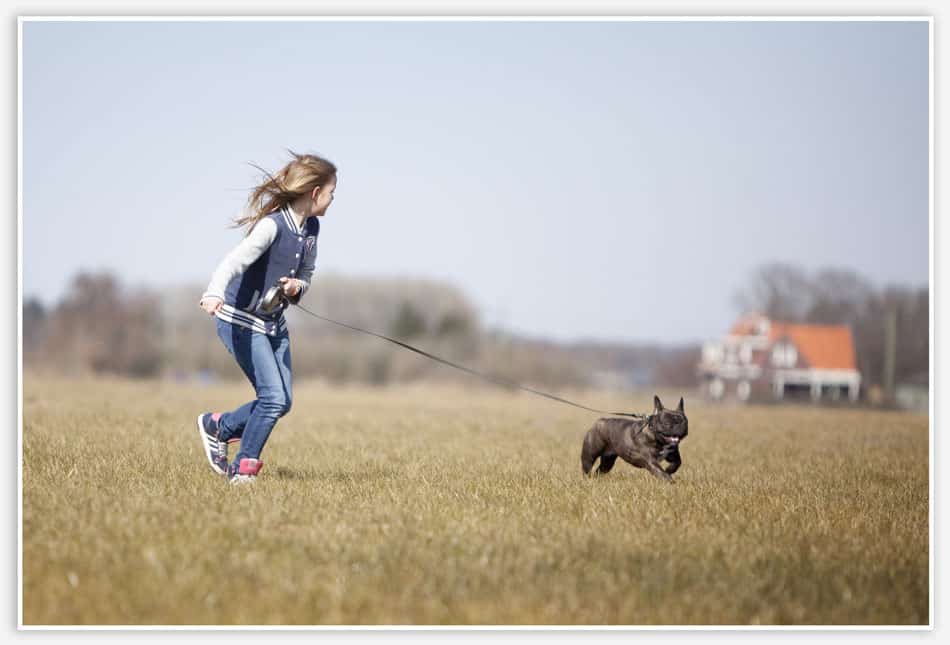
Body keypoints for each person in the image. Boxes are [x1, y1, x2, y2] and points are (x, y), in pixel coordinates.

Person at [195, 151, 337, 484]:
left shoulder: (312, 227)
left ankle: (220, 426)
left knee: (282, 401)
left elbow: (307, 272)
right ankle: (243, 470)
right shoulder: (271, 226)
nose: (332, 201)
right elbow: (233, 262)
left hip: (274, 324)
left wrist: (295, 286)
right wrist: (213, 292)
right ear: (315, 193)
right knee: (272, 399)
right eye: (331, 194)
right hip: (240, 323)